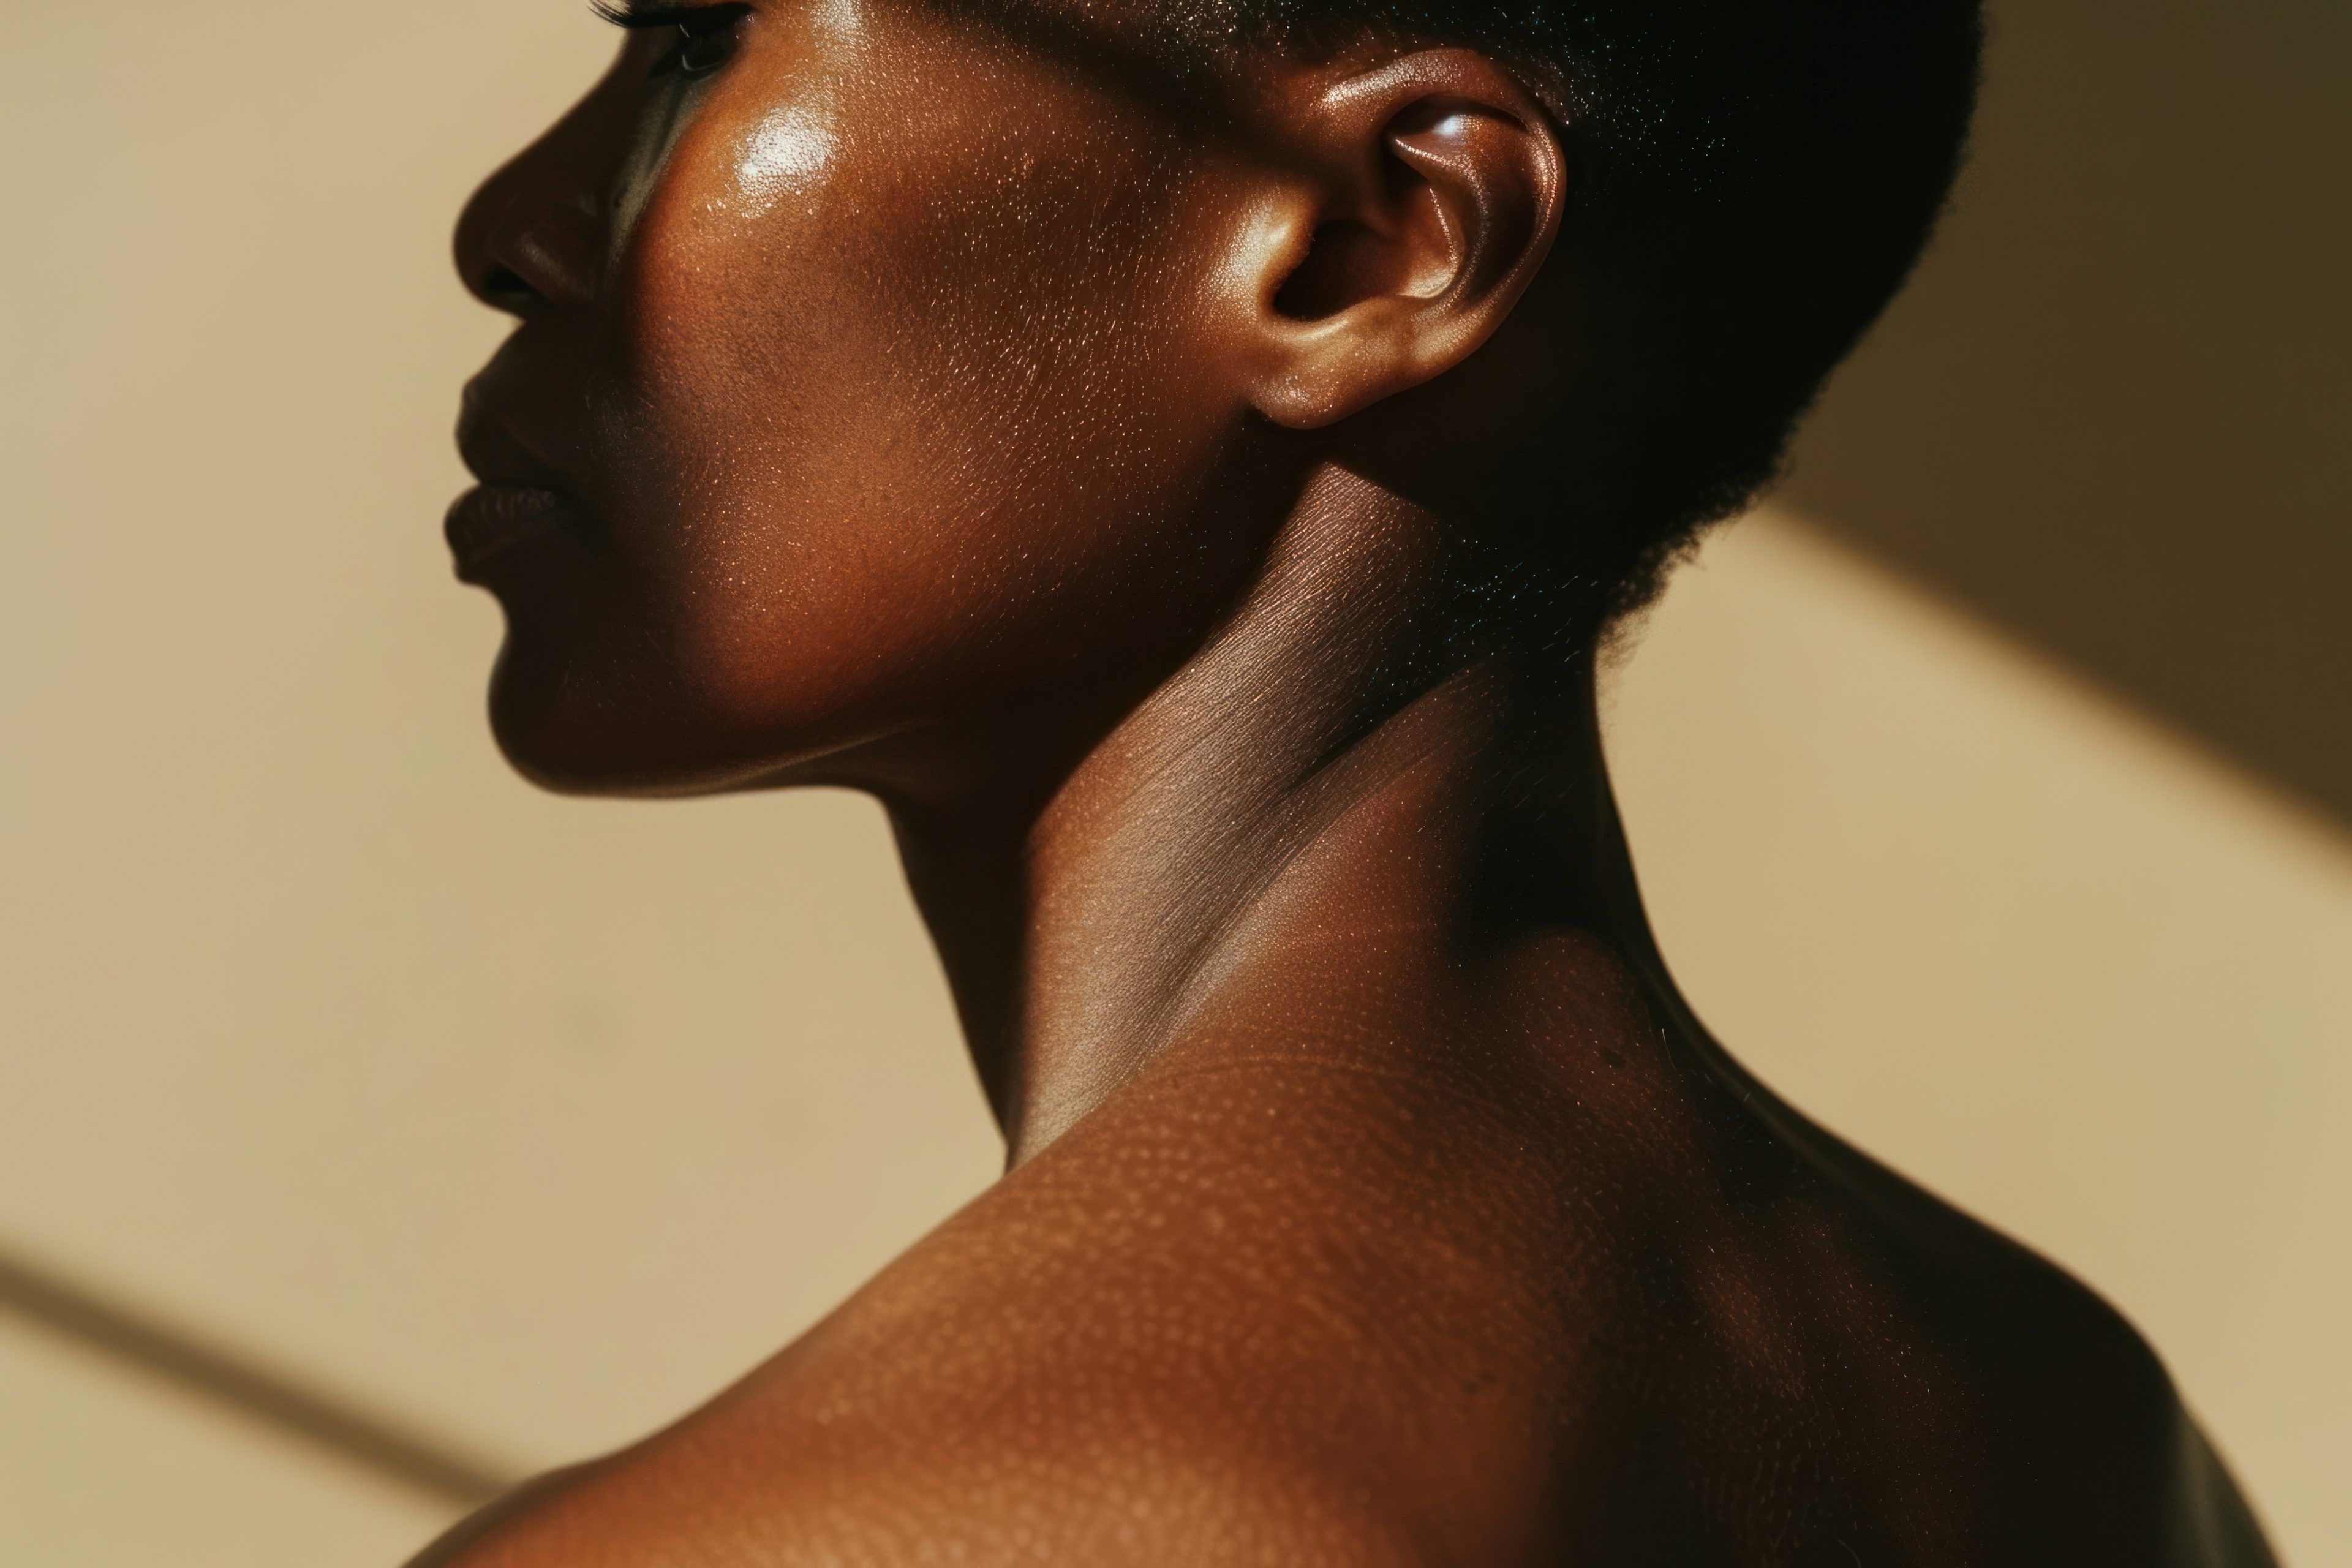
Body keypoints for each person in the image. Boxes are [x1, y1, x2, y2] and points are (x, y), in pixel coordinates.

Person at [419, 0, 2277, 1561]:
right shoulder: (2090, 1438)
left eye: (696, 42)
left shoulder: (819, 1529)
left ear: (1369, 250)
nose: (511, 225)